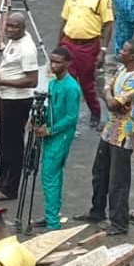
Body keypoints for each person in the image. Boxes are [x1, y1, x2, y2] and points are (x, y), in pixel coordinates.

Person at [75, 40, 134, 235]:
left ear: (132, 56)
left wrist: (108, 93)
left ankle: (119, 222)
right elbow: (109, 92)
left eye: (124, 50)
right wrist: (109, 94)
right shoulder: (122, 70)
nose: (120, 51)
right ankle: (97, 211)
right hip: (111, 129)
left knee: (119, 180)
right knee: (100, 172)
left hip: (124, 133)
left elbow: (113, 103)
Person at [0, 13, 40, 202]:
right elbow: (6, 59)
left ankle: (10, 188)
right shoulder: (13, 41)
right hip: (5, 98)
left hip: (18, 101)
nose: (9, 30)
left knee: (14, 146)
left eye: (14, 27)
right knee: (2, 141)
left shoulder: (27, 49)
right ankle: (2, 178)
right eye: (8, 26)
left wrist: (1, 82)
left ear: (23, 28)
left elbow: (32, 81)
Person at [58, 0, 113, 129]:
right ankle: (67, 116)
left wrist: (102, 51)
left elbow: (108, 24)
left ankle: (95, 112)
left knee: (87, 84)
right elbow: (64, 20)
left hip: (88, 46)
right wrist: (59, 45)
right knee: (66, 81)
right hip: (69, 43)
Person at [35, 47, 81, 228]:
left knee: (49, 177)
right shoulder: (53, 83)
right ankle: (51, 213)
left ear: (67, 64)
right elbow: (51, 108)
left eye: (58, 62)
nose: (53, 65)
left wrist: (50, 130)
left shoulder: (71, 88)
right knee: (53, 177)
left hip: (60, 136)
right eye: (52, 61)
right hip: (51, 133)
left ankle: (53, 222)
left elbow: (71, 117)